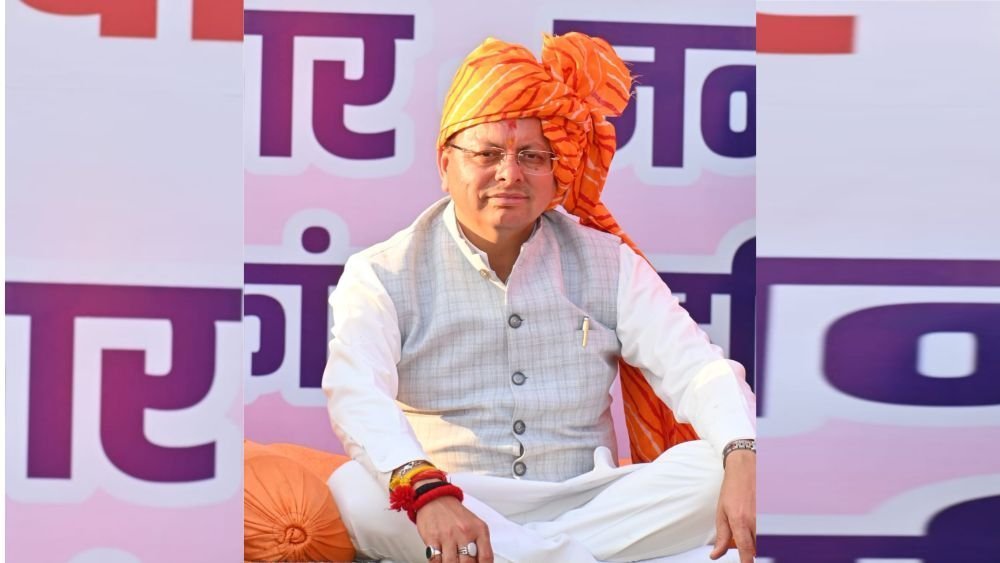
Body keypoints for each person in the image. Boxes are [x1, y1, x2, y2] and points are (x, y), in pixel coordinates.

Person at [323, 32, 756, 563]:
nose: (509, 173)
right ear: (444, 164)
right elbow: (356, 390)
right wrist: (427, 493)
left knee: (723, 466)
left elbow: (696, 368)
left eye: (531, 155)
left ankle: (523, 554)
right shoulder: (382, 272)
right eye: (487, 154)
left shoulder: (608, 262)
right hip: (455, 497)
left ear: (556, 171)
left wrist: (742, 452)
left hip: (589, 498)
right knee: (357, 492)